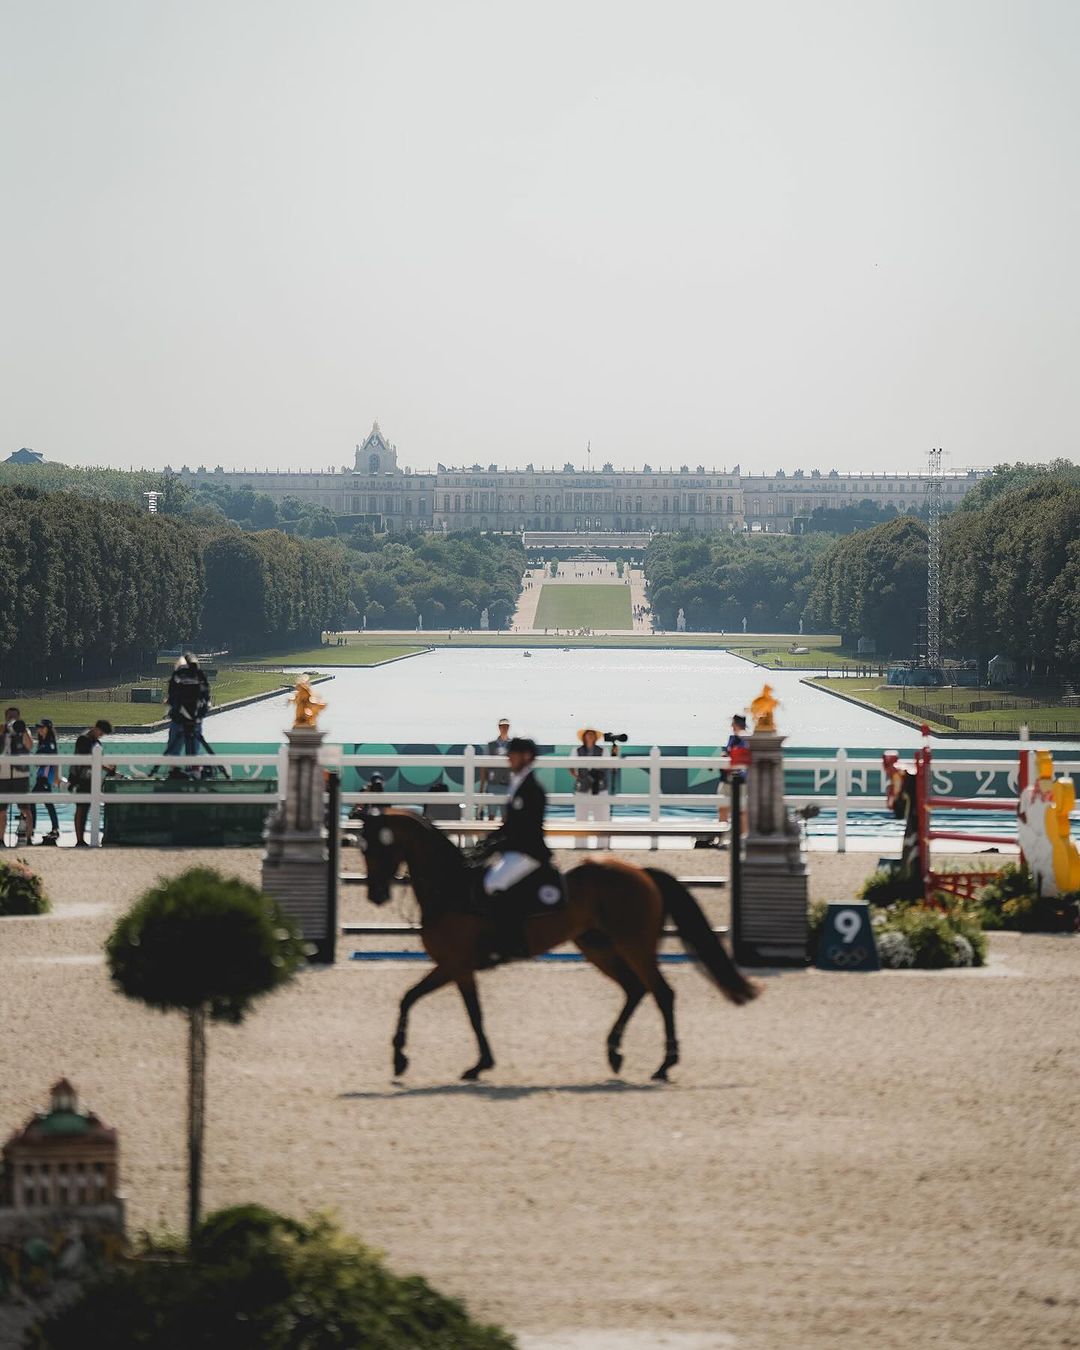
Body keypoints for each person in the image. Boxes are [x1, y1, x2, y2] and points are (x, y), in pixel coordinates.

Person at [478, 737, 550, 896]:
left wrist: (497, 846)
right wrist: (488, 841)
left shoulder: (532, 789)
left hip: (527, 852)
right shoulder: (517, 783)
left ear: (526, 757)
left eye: (513, 754)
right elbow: (511, 823)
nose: (508, 758)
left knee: (492, 883)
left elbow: (526, 828)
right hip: (515, 850)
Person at [163, 654, 211, 774]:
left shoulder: (177, 676)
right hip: (196, 720)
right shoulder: (200, 675)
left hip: (179, 720)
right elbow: (206, 698)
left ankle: (175, 771)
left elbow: (172, 697)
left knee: (174, 750)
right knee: (193, 751)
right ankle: (194, 770)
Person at [70, 719, 113, 847]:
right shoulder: (83, 740)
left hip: (90, 779)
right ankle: (79, 839)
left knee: (86, 809)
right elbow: (88, 760)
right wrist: (107, 768)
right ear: (96, 728)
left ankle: (81, 839)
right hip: (79, 778)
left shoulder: (96, 742)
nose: (101, 735)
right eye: (101, 732)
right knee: (80, 808)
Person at [1, 706, 34, 845]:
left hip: (21, 774)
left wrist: (22, 730)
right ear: (5, 717)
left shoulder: (24, 731)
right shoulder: (2, 730)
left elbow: (29, 746)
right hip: (3, 775)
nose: (12, 719)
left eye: (15, 717)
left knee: (25, 808)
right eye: (10, 717)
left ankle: (28, 838)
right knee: (1, 810)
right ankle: (1, 838)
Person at [572, 727, 610, 848]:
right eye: (588, 734)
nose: (590, 736)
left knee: (602, 817)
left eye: (592, 734)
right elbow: (570, 766)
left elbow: (608, 765)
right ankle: (580, 846)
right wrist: (579, 777)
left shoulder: (603, 750)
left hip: (600, 787)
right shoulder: (576, 751)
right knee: (581, 817)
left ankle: (602, 845)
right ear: (584, 737)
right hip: (582, 787)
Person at [31, 719, 60, 845]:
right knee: (48, 803)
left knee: (31, 800)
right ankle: (54, 828)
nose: (39, 730)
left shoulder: (49, 743)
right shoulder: (43, 742)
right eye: (39, 727)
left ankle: (31, 827)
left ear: (48, 729)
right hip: (41, 776)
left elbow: (53, 761)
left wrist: (54, 777)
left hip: (45, 778)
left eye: (42, 727)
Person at [478, 717, 512, 820]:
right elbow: (484, 766)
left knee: (506, 816)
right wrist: (482, 787)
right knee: (491, 815)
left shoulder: (512, 745)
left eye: (506, 726)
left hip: (507, 784)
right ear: (499, 727)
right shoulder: (490, 745)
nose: (504, 728)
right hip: (493, 784)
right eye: (502, 726)